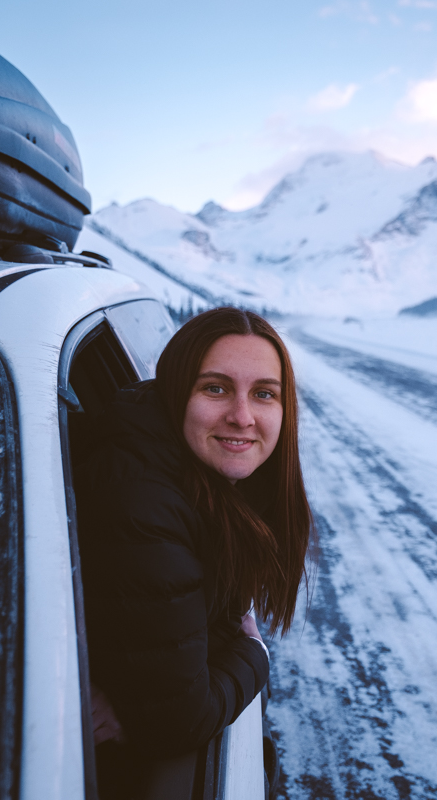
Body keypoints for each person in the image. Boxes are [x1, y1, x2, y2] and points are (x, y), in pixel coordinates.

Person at [77, 307, 313, 796]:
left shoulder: (201, 476)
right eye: (216, 388)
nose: (242, 416)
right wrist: (253, 652)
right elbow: (180, 721)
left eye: (264, 393)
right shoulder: (142, 502)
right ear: (175, 392)